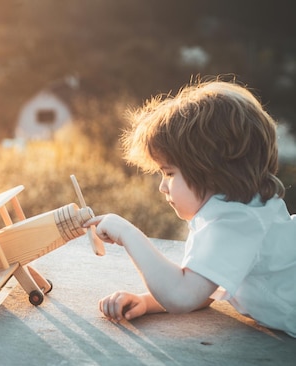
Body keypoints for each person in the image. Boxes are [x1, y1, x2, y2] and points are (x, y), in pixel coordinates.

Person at [85, 79, 296, 338]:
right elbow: (203, 285)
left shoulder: (236, 221)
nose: (163, 187)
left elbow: (182, 294)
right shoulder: (234, 212)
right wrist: (148, 301)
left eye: (170, 173)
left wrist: (127, 233)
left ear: (210, 171)